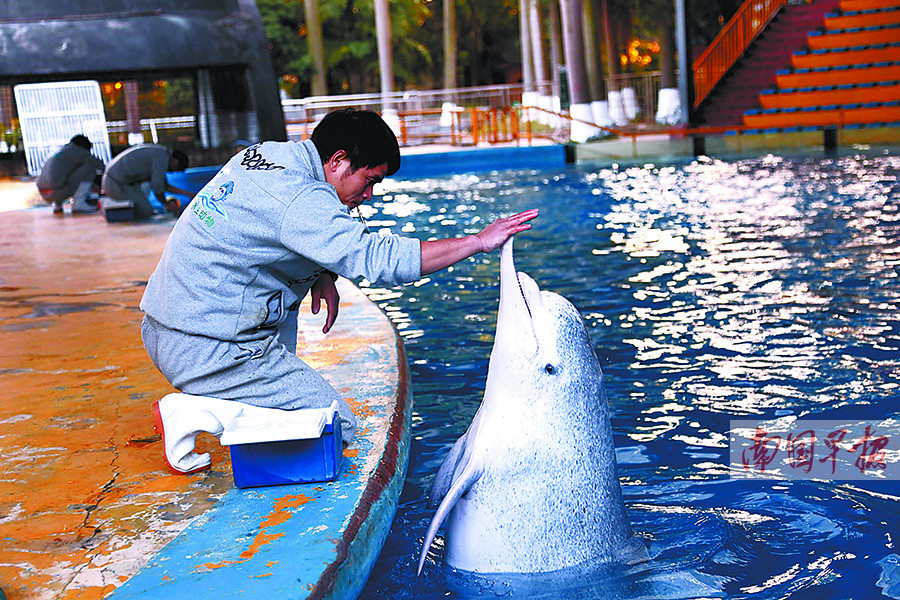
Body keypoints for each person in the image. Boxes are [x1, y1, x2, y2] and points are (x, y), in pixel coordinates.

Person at [140, 108, 537, 471]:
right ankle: (196, 412)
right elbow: (375, 258)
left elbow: (262, 225)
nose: (368, 195)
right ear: (338, 161)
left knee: (288, 347)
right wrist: (477, 242)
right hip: (205, 348)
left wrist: (320, 274)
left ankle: (226, 397)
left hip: (169, 325)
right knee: (333, 427)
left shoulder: (270, 155)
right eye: (369, 180)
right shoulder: (300, 198)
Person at [101, 143, 192, 220]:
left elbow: (163, 185)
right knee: (145, 211)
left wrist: (188, 194)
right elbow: (157, 187)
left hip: (117, 181)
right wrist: (165, 203)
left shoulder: (161, 154)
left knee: (146, 209)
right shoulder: (161, 158)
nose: (172, 173)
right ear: (175, 162)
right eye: (176, 170)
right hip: (115, 183)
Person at [36, 134, 104, 214]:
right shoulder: (79, 151)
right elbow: (100, 166)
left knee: (61, 173)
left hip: (44, 193)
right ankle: (79, 203)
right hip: (58, 191)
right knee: (89, 167)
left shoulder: (61, 151)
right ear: (83, 146)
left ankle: (57, 205)